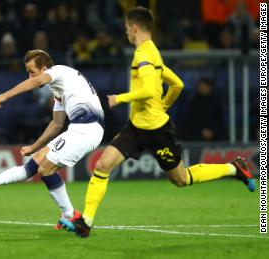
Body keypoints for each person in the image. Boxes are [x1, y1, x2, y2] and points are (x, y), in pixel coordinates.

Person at [61, 6, 255, 238]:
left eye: (126, 28)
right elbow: (177, 84)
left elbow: (147, 89)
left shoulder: (144, 55)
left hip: (157, 131)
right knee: (102, 166)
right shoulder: (153, 53)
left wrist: (118, 99)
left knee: (181, 179)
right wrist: (163, 105)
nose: (125, 32)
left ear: (134, 28)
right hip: (136, 127)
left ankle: (234, 168)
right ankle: (86, 222)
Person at [0, 49, 105, 228]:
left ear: (44, 68)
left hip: (87, 128)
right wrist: (34, 146)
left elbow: (38, 81)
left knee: (45, 169)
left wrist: (5, 95)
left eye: (32, 71)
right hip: (80, 128)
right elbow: (56, 124)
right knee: (35, 164)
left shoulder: (59, 71)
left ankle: (70, 215)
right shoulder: (60, 90)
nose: (30, 76)